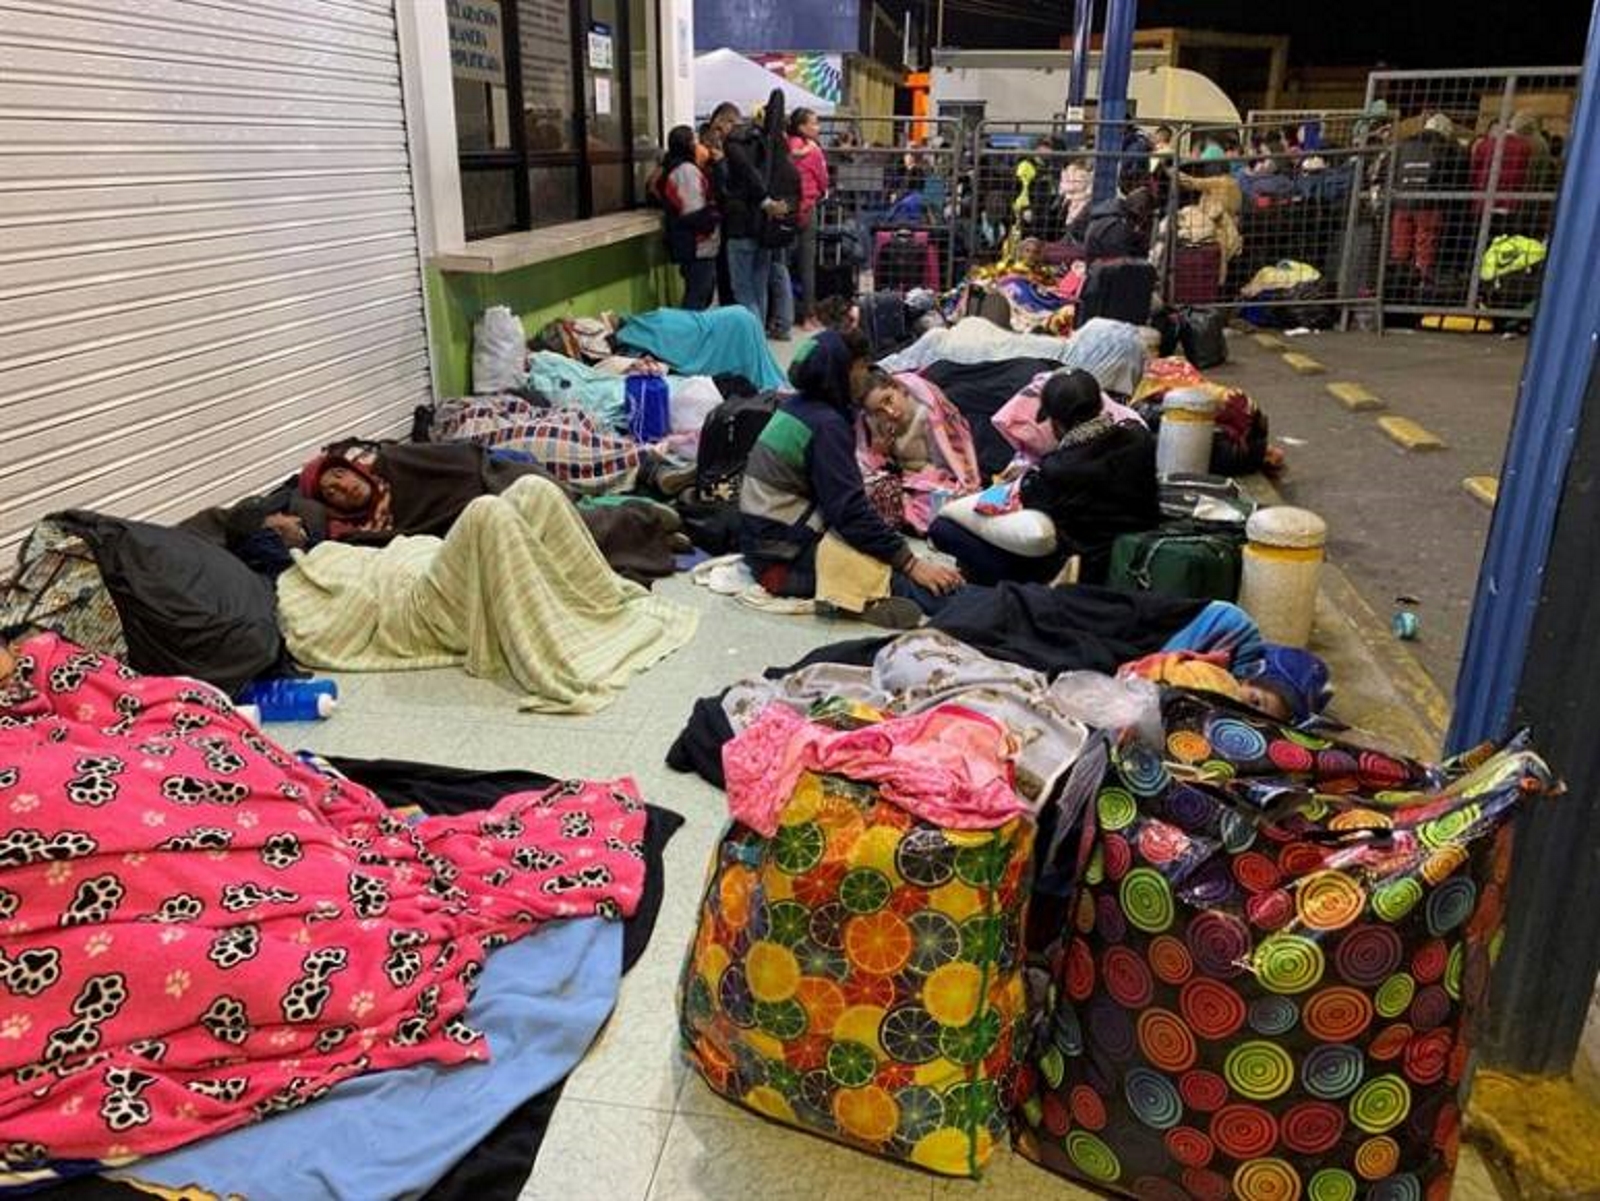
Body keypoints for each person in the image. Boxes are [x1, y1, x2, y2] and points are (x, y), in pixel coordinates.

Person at [739, 329, 964, 625]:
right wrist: (910, 563)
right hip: (782, 560)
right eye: (860, 367)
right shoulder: (826, 424)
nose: (864, 374)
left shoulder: (797, 407)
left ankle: (868, 592)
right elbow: (849, 512)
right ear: (841, 370)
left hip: (764, 543)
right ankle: (950, 604)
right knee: (902, 576)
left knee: (881, 546)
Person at [928, 370, 1159, 586]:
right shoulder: (1140, 439)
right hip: (1133, 553)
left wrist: (987, 493)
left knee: (944, 528)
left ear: (1055, 423)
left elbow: (1000, 502)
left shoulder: (1057, 470)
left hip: (1077, 570)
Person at [720, 96, 791, 327]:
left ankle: (753, 338)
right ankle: (759, 337)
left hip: (741, 224)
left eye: (719, 127)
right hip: (765, 227)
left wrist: (764, 200)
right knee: (759, 286)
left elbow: (746, 173)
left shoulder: (734, 144)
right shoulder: (770, 144)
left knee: (742, 289)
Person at [1389, 113, 1468, 292]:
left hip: (1402, 200)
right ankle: (1421, 281)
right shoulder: (1447, 147)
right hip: (1430, 201)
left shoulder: (1404, 144)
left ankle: (1398, 281)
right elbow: (1456, 176)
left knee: (1401, 242)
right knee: (1425, 243)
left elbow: (1392, 169)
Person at [656, 125, 721, 309]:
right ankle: (688, 328)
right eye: (694, 141)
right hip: (697, 244)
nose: (698, 146)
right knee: (698, 296)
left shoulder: (676, 167)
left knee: (700, 293)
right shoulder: (686, 171)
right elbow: (694, 210)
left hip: (694, 243)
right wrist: (714, 218)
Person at [761, 92, 803, 340]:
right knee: (779, 270)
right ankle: (783, 321)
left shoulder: (770, 152)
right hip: (788, 220)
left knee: (774, 271)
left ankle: (781, 322)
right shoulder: (789, 156)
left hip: (772, 220)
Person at [787, 107, 830, 329]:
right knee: (806, 265)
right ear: (802, 127)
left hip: (784, 210)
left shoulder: (784, 146)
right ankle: (808, 316)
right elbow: (823, 180)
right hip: (807, 209)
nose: (818, 127)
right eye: (814, 123)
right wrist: (820, 192)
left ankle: (781, 314)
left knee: (781, 266)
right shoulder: (814, 151)